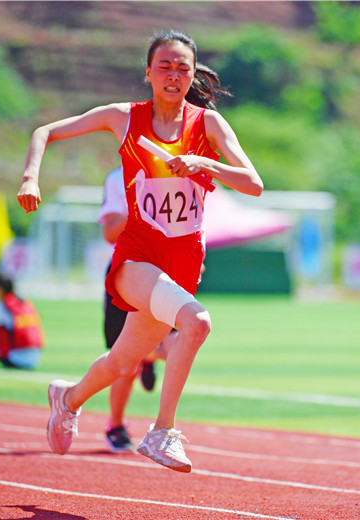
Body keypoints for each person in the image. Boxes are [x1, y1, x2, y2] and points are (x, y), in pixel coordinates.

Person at [16, 30, 263, 472]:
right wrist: (30, 177)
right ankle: (162, 431)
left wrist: (204, 163)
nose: (173, 75)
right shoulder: (124, 117)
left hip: (183, 263)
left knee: (122, 363)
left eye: (182, 68)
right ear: (148, 73)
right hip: (136, 258)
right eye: (164, 66)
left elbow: (254, 184)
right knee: (197, 323)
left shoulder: (207, 126)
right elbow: (45, 131)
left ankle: (66, 399)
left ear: (192, 77)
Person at [98, 165, 159, 452]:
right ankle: (116, 425)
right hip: (126, 271)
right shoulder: (117, 178)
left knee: (187, 335)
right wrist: (138, 207)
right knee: (123, 360)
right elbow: (110, 233)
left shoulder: (175, 169)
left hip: (165, 270)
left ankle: (165, 427)